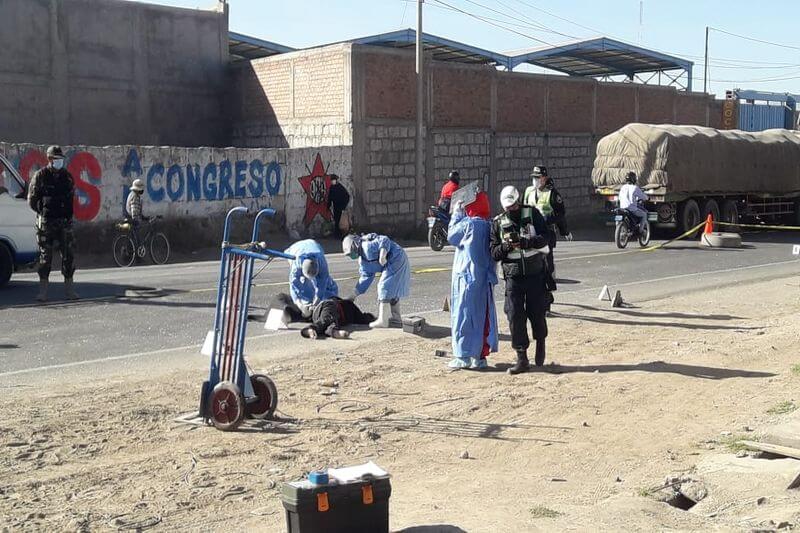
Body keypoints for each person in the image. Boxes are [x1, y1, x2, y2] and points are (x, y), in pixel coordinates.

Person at [490, 185, 550, 375]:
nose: (511, 210)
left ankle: (540, 342)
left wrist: (529, 242)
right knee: (515, 316)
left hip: (534, 274)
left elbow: (548, 237)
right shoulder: (498, 223)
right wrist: (506, 247)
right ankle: (522, 358)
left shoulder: (532, 214)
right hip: (513, 277)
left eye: (514, 206)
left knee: (537, 313)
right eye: (508, 207)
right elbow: (493, 253)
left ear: (518, 201)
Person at [446, 191, 499, 370]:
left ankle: (463, 356)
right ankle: (480, 357)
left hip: (467, 279)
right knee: (483, 319)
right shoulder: (490, 225)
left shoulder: (469, 225)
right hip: (485, 280)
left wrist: (457, 213)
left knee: (464, 317)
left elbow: (452, 236)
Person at [27, 145, 78, 302]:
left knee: (68, 256)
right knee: (45, 257)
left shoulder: (67, 177)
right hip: (47, 223)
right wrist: (43, 213)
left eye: (60, 159)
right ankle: (43, 292)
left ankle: (69, 291)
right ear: (49, 159)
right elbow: (32, 200)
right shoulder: (40, 176)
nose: (59, 162)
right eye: (56, 159)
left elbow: (71, 196)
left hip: (64, 223)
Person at [523, 166, 572, 314]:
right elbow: (524, 209)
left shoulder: (552, 193)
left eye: (538, 178)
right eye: (534, 177)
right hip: (531, 234)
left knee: (545, 265)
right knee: (529, 265)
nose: (535, 180)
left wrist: (564, 231)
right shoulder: (528, 191)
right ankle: (532, 299)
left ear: (544, 178)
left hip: (546, 234)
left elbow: (560, 213)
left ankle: (546, 301)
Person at [342, 233, 411, 328]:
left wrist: (383, 252)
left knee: (384, 287)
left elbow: (384, 239)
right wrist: (354, 294)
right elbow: (365, 277)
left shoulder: (367, 246)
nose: (351, 256)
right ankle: (396, 319)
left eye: (350, 253)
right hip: (393, 261)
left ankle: (383, 321)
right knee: (391, 290)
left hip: (396, 258)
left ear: (355, 245)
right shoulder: (363, 261)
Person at [271, 239, 338, 323]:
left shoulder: (322, 263)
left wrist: (317, 301)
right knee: (302, 283)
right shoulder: (296, 265)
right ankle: (306, 302)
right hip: (295, 250)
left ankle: (312, 301)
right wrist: (299, 304)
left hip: (314, 245)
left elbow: (322, 282)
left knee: (324, 283)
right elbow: (294, 285)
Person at [300, 297, 376, 339]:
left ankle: (331, 331)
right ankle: (332, 331)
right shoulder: (348, 304)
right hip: (327, 305)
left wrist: (372, 318)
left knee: (327, 321)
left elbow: (363, 319)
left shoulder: (350, 310)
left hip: (319, 316)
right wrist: (372, 318)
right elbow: (363, 318)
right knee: (327, 318)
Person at [327, 174, 351, 239]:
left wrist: (344, 206)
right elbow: (330, 198)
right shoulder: (331, 188)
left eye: (333, 180)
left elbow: (347, 196)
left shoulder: (340, 187)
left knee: (341, 222)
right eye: (332, 180)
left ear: (336, 180)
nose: (332, 181)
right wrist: (328, 206)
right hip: (335, 206)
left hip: (341, 207)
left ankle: (341, 234)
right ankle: (337, 235)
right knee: (336, 221)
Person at [125, 178, 147, 244]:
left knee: (134, 236)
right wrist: (136, 219)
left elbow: (136, 209)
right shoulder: (135, 197)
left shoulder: (133, 194)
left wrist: (142, 217)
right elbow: (134, 210)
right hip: (132, 217)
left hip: (130, 216)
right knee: (137, 236)